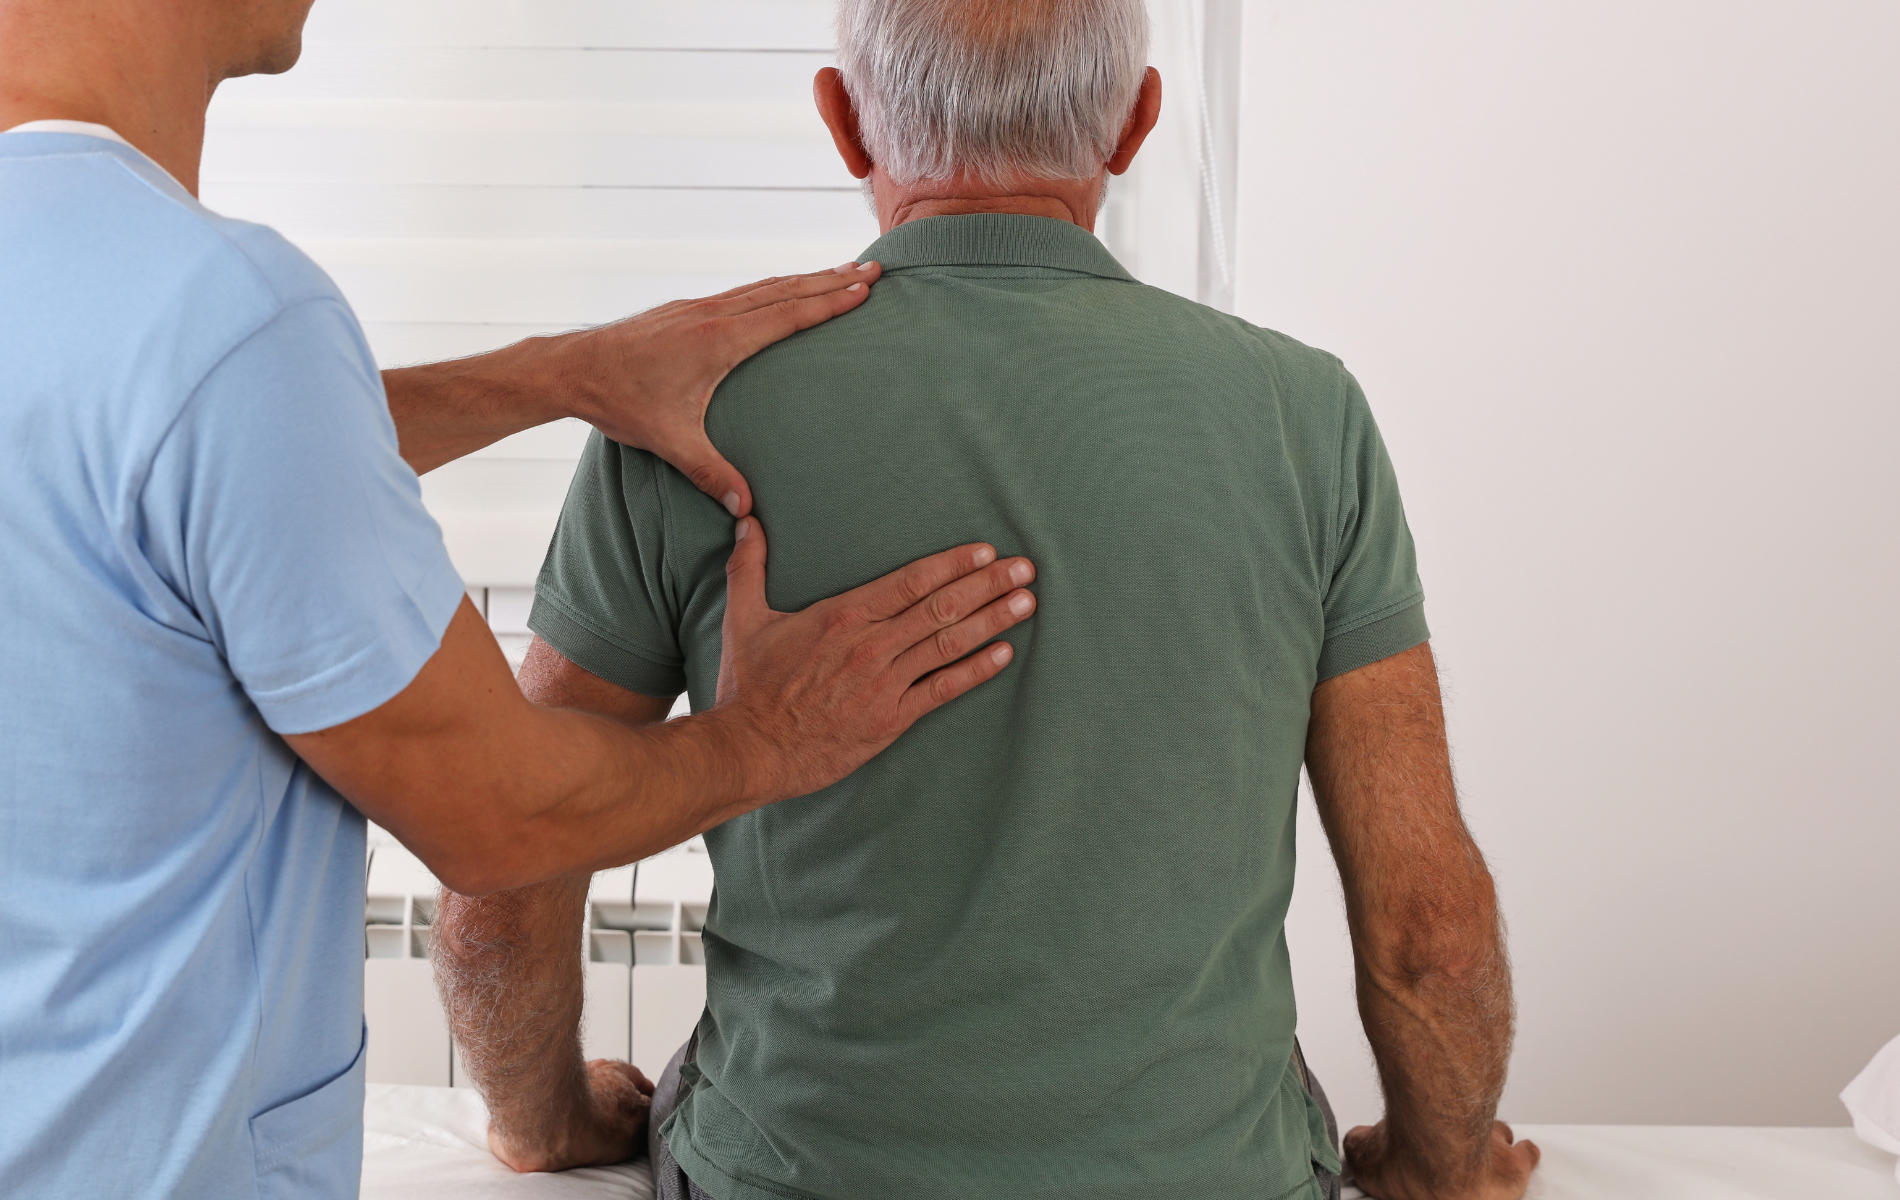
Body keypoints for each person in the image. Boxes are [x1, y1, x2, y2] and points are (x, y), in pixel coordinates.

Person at [436, 1, 1542, 1198]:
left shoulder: (677, 407)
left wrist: (544, 1123)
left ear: (844, 121)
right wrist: (1443, 1165)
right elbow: (1428, 932)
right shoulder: (1305, 416)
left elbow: (503, 885)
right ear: (1134, 123)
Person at [0, 0, 1046, 1196]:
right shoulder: (217, 314)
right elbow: (498, 821)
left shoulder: (154, 329)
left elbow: (145, 449)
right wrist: (771, 736)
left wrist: (563, 374)